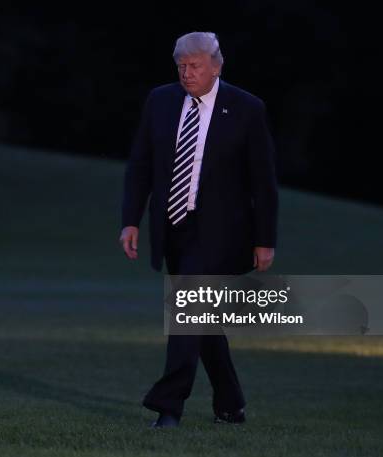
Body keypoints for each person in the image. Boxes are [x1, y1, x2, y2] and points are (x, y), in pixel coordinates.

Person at [119, 32, 278, 428]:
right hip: (173, 227)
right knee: (201, 319)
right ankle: (230, 402)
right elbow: (141, 163)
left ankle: (168, 405)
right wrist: (130, 219)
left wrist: (264, 240)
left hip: (221, 232)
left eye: (195, 66)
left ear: (216, 66)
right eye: (181, 66)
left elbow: (263, 181)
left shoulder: (246, 108)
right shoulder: (161, 101)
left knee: (186, 309)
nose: (187, 74)